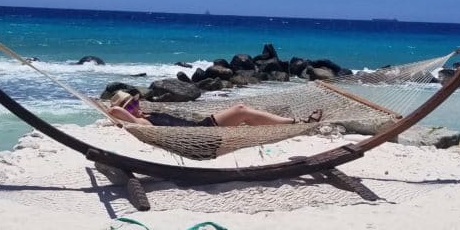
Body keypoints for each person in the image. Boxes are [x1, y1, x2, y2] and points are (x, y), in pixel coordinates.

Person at [107, 90, 322, 127]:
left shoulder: (145, 115)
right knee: (240, 109)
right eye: (131, 105)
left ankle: (291, 124)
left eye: (135, 102)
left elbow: (121, 112)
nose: (137, 105)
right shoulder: (142, 123)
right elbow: (114, 112)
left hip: (201, 129)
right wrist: (120, 110)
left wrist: (135, 109)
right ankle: (299, 122)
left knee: (246, 115)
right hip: (201, 133)